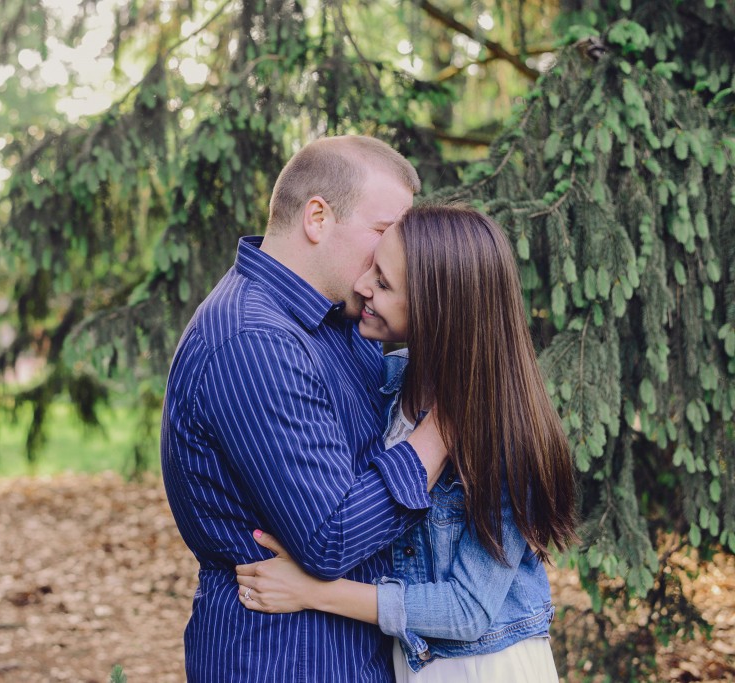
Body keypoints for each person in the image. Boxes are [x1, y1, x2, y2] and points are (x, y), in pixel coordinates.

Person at [235, 204, 578, 681]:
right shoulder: (388, 382)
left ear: (439, 309)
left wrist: (315, 590)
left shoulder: (502, 432)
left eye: (384, 282)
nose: (362, 286)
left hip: (484, 666)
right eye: (372, 268)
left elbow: (468, 610)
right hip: (412, 665)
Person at [161, 136, 451, 681]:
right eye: (386, 231)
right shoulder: (252, 339)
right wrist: (447, 428)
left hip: (347, 651)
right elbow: (331, 536)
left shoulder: (342, 322)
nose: (400, 252)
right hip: (284, 656)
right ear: (317, 216)